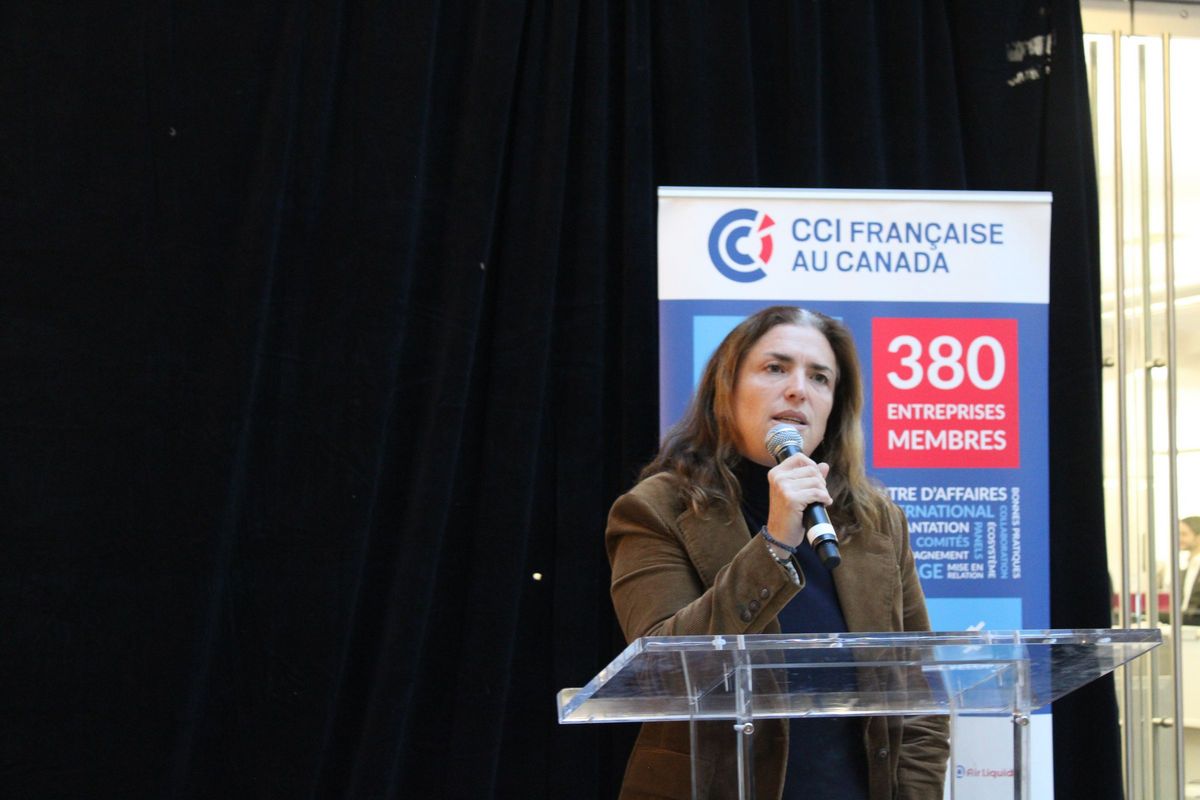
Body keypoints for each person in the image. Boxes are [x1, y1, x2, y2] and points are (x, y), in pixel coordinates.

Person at [606, 306, 949, 800]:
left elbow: (918, 696)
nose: (798, 390)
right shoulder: (656, 510)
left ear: (834, 408)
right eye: (775, 368)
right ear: (726, 389)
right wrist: (775, 543)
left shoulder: (876, 521)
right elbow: (665, 670)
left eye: (820, 378)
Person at [1180, 516, 1200, 625]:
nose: (1179, 538)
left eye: (1184, 534)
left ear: (1198, 537)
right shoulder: (1187, 567)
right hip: (1186, 626)